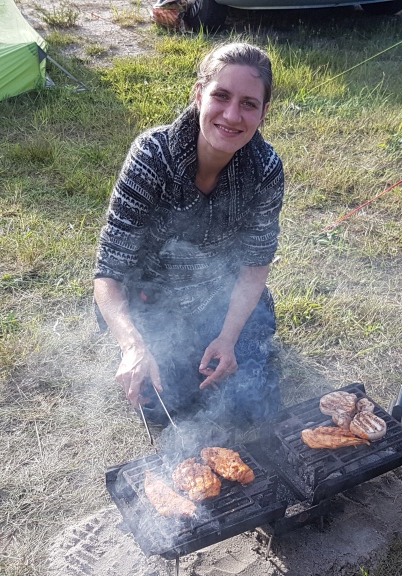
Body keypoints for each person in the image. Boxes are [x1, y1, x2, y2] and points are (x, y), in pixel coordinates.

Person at [93, 42, 284, 427]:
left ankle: (233, 348)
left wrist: (229, 338)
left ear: (263, 113)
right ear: (199, 95)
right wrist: (134, 347)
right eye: (221, 96)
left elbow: (253, 268)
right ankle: (163, 357)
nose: (232, 115)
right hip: (153, 303)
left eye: (249, 103)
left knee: (251, 405)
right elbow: (108, 273)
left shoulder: (265, 168)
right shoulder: (153, 155)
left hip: (218, 297)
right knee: (162, 406)